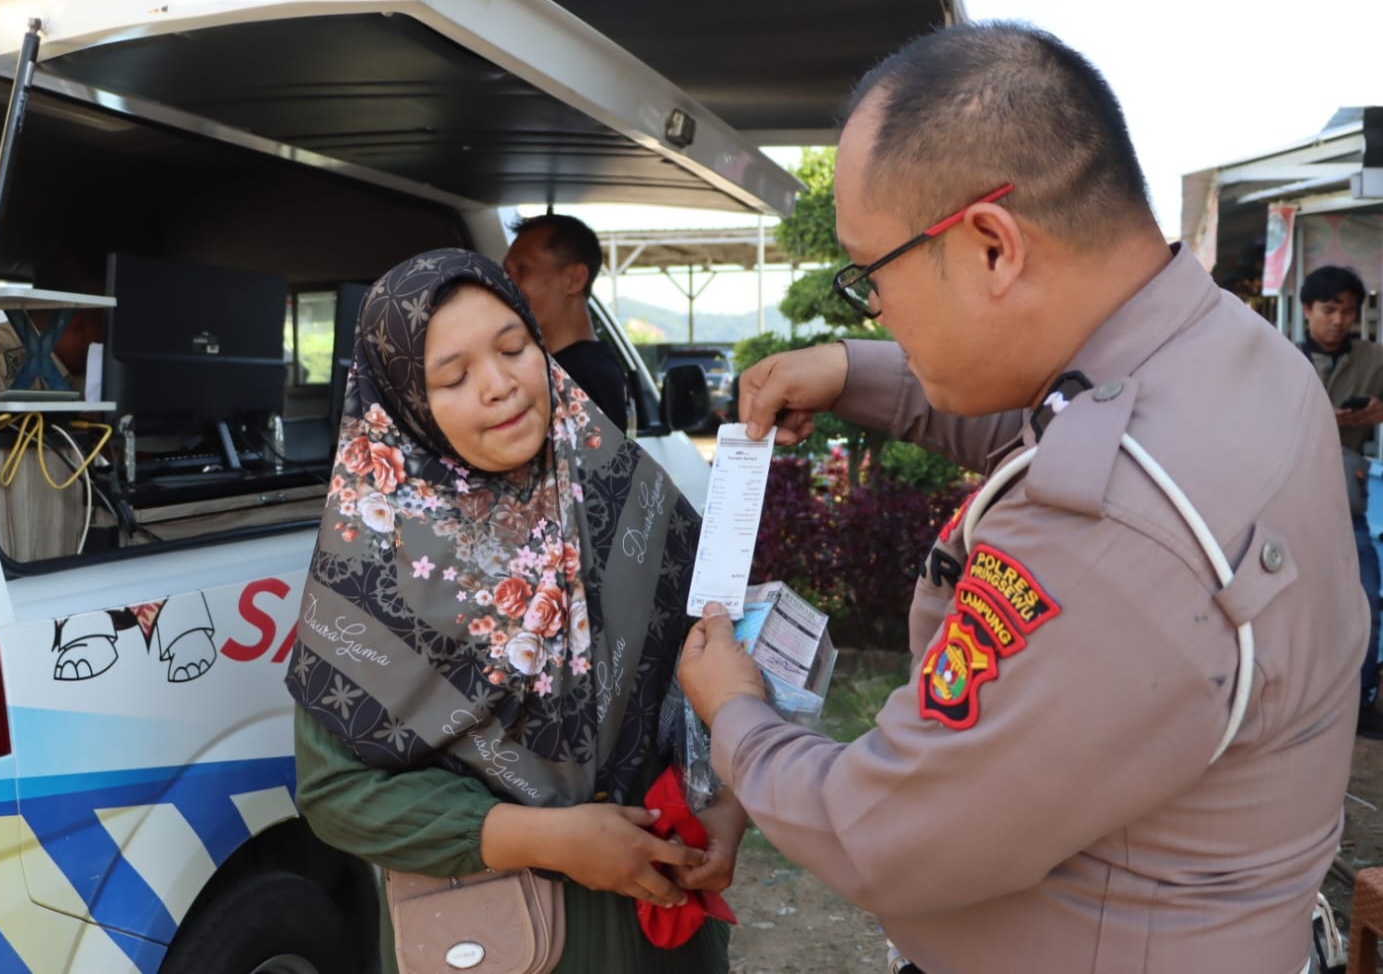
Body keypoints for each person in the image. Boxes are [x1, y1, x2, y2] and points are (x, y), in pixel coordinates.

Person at [675, 22, 1361, 974]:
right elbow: (1058, 412)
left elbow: (885, 828)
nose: (873, 311)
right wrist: (849, 371)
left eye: (870, 279)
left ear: (992, 246)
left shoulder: (1111, 532)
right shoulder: (1228, 355)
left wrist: (738, 713)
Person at [285, 249, 742, 972]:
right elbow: (340, 792)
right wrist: (542, 838)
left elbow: (715, 664)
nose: (499, 386)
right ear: (404, 402)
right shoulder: (373, 574)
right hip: (508, 935)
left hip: (667, 923)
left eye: (512, 348)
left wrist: (728, 805)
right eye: (453, 376)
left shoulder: (627, 491)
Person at [1299, 264, 1383, 737]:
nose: (1337, 320)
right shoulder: (1280, 358)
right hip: (1289, 504)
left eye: (1347, 312)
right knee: (1296, 607)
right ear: (1307, 309)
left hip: (1348, 504)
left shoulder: (1374, 358)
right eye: (1328, 309)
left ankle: (1362, 701)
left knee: (1366, 599)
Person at [504, 214, 630, 431]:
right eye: (506, 272)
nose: (506, 282)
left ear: (574, 279)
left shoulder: (581, 377)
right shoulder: (587, 367)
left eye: (522, 269)